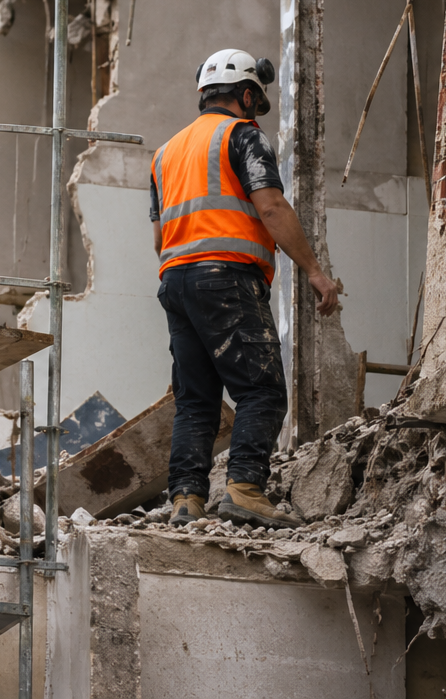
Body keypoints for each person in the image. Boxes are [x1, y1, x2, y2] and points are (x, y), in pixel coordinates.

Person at [150, 48, 341, 530]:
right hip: (227, 277)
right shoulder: (243, 137)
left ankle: (186, 499)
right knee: (263, 389)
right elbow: (272, 207)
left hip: (176, 281)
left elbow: (159, 238)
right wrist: (316, 272)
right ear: (248, 94)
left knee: (196, 400)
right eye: (257, 100)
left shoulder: (165, 154)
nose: (257, 110)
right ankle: (245, 489)